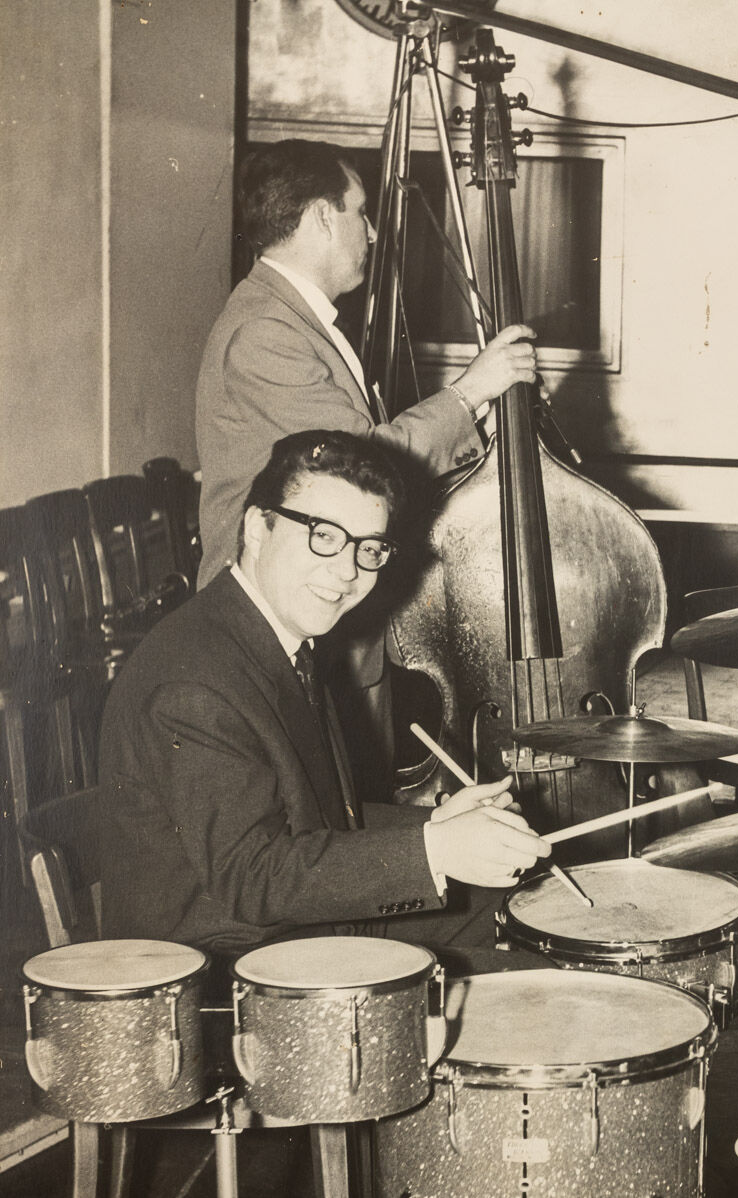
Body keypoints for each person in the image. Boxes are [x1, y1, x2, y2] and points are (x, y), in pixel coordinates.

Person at [99, 429, 551, 965]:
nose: (348, 570)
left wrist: (439, 826)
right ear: (258, 529)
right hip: (223, 967)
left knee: (501, 904)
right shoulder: (192, 683)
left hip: (289, 931)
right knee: (531, 977)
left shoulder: (276, 634)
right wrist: (438, 851)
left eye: (368, 547)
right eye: (324, 536)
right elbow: (252, 877)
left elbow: (319, 818)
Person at [196, 138, 537, 587]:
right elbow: (364, 468)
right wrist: (472, 389)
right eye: (360, 212)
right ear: (323, 217)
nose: (373, 232)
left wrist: (486, 417)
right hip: (276, 610)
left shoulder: (291, 318)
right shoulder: (265, 334)